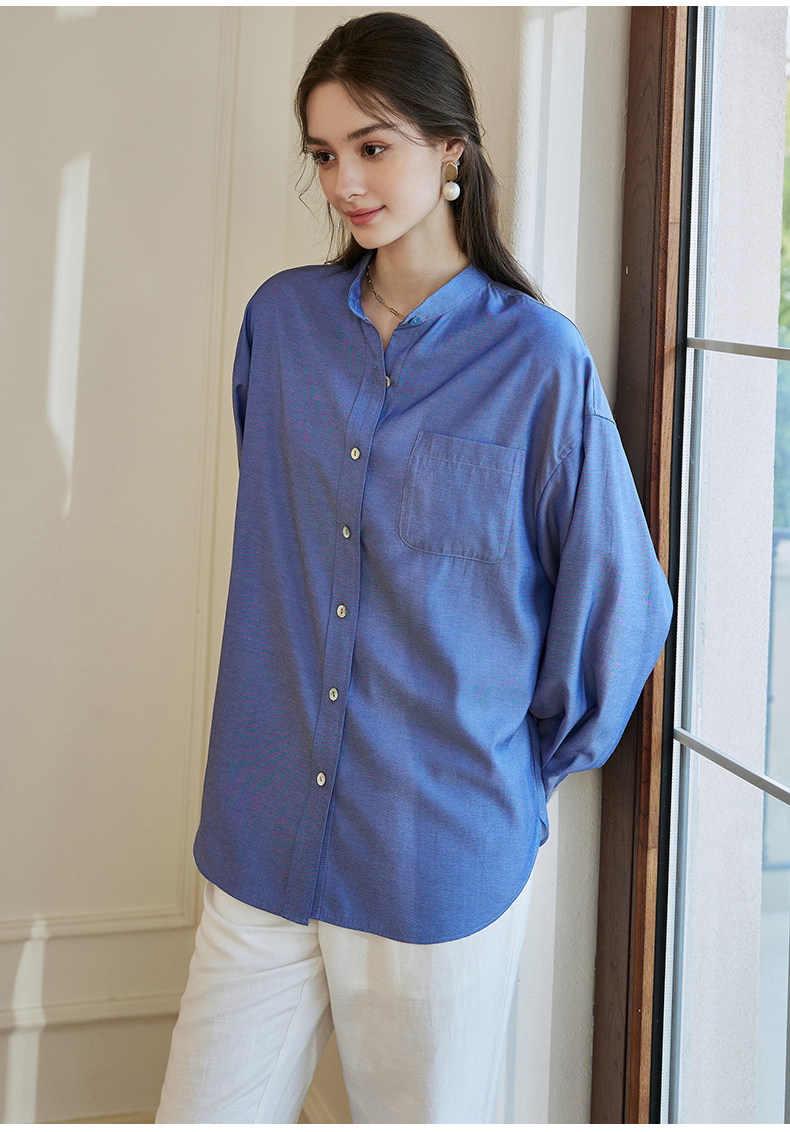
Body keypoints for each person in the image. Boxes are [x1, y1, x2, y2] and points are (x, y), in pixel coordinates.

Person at [156, 10, 672, 1124]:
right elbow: (287, 539)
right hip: (261, 831)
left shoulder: (538, 361)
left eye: (373, 145)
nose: (344, 181)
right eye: (324, 154)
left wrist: (509, 777)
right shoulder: (282, 326)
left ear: (450, 151)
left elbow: (620, 604)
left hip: (434, 850)